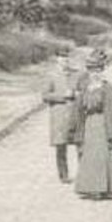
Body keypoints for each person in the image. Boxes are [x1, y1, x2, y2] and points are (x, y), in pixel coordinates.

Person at [70, 50, 112, 199]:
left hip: (103, 126)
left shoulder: (108, 89)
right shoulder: (85, 89)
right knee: (89, 155)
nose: (94, 74)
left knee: (104, 155)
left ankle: (109, 187)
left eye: (98, 70)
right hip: (89, 125)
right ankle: (92, 187)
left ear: (102, 71)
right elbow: (78, 108)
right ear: (88, 72)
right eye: (92, 71)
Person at [42, 47, 80, 183]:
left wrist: (77, 94)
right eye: (62, 57)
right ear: (57, 59)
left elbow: (82, 90)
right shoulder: (51, 75)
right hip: (59, 116)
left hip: (75, 114)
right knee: (61, 146)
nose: (65, 60)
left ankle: (84, 173)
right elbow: (45, 96)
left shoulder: (76, 74)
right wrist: (63, 95)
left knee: (80, 143)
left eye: (67, 57)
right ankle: (63, 175)